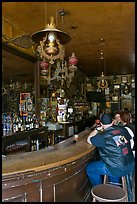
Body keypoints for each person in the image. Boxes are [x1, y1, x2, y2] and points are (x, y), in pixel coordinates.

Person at [86, 113, 135, 188]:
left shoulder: (102, 136)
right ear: (112, 122)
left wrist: (96, 130)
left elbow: (89, 139)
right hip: (131, 164)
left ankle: (100, 190)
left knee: (90, 169)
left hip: (118, 168)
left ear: (101, 123)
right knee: (113, 164)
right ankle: (114, 186)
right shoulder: (123, 129)